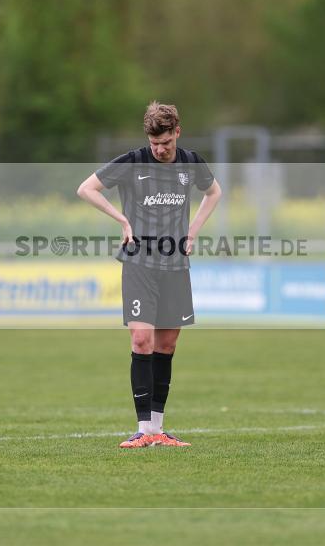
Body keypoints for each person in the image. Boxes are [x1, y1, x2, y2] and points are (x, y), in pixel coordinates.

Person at [77, 101, 222, 449]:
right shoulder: (132, 161)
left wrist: (193, 231)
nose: (160, 149)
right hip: (140, 263)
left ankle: (158, 430)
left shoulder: (190, 162)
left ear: (177, 133)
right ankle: (143, 430)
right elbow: (86, 188)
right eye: (154, 143)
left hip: (175, 266)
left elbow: (214, 192)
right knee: (142, 340)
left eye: (166, 142)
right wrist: (122, 220)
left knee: (167, 345)